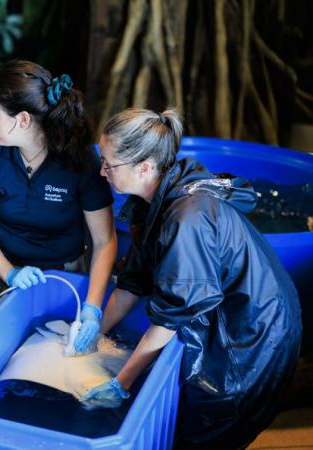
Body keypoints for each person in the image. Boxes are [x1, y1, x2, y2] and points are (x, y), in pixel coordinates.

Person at [81, 108, 302, 449]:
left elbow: (171, 316)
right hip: (236, 312)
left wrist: (121, 384)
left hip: (254, 336)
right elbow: (134, 280)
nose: (102, 171)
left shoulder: (187, 219)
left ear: (144, 167)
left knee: (204, 430)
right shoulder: (153, 199)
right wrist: (97, 330)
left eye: (109, 164)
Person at [0, 59, 117, 356]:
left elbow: (104, 240)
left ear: (22, 120)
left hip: (62, 274)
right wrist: (8, 273)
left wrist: (93, 307)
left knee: (48, 356)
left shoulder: (79, 161)